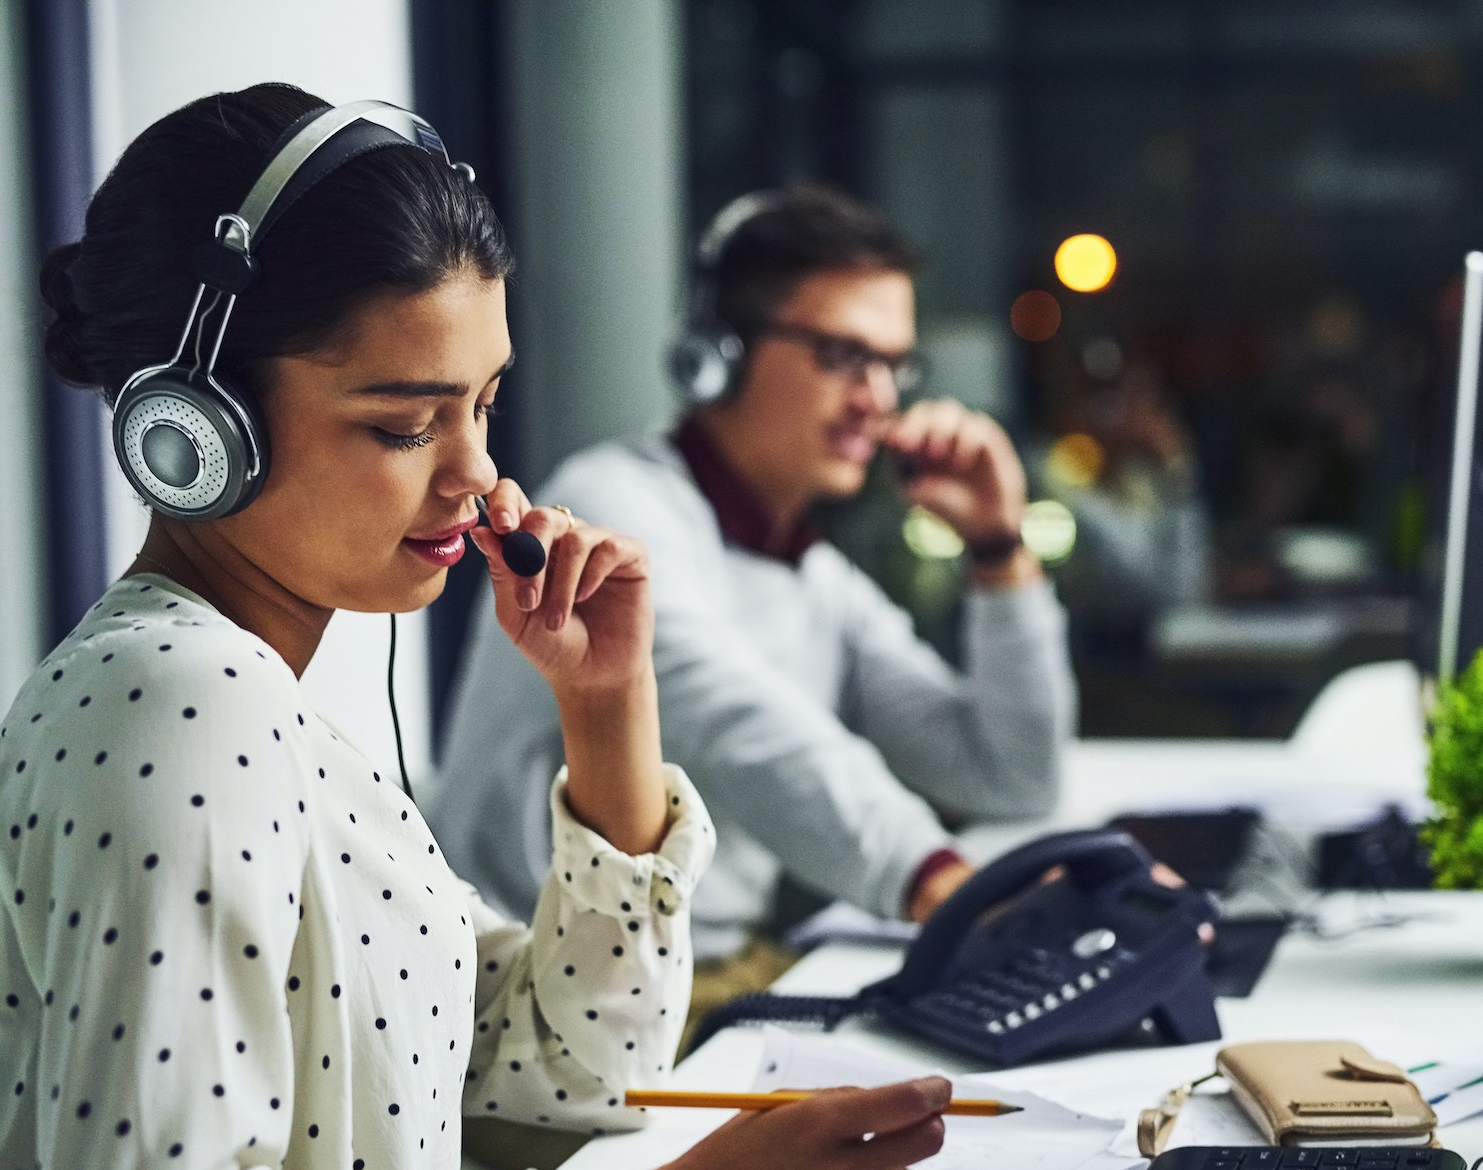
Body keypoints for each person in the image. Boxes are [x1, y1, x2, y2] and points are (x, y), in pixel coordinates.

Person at [0, 86, 949, 1170]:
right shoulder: (170, 709)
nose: (478, 480)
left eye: (483, 406)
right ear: (194, 434)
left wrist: (606, 716)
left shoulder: (270, 708)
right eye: (403, 424)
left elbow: (583, 1075)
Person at [435, 185, 1076, 1021]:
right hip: (541, 998)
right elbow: (747, 726)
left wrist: (998, 548)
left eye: (894, 365)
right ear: (721, 353)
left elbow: (1011, 774)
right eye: (846, 355)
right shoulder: (610, 504)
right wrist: (939, 881)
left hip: (696, 976)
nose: (880, 398)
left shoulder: (812, 573)